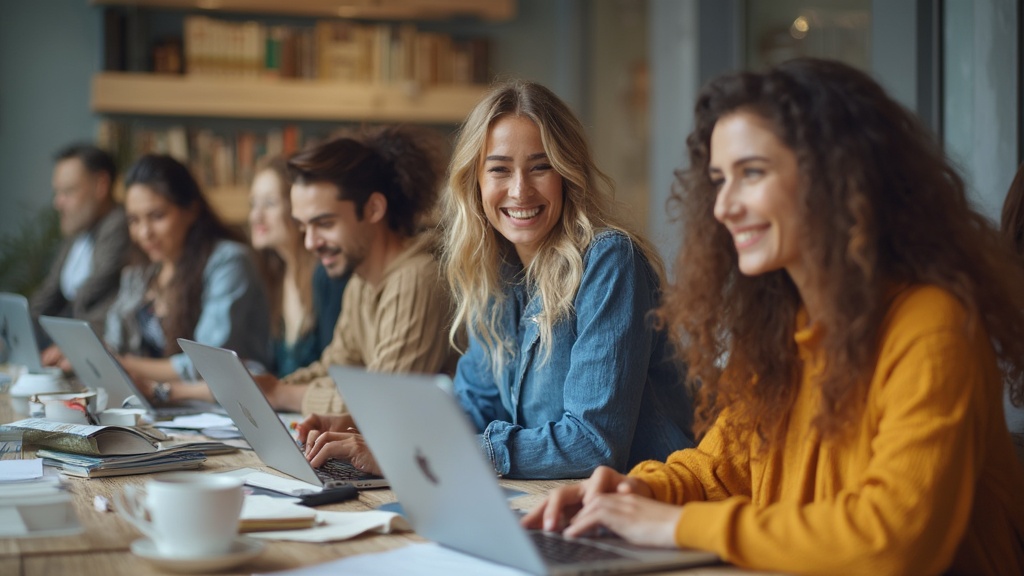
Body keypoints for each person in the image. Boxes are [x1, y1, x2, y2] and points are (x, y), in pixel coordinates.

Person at [524, 58, 1024, 575]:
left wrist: (670, 525)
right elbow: (720, 469)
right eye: (719, 180)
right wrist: (636, 491)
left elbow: (890, 540)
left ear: (838, 177)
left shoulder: (933, 326)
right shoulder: (779, 326)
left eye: (752, 173)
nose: (723, 206)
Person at [301, 80, 694, 480]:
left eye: (540, 167)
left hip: (649, 509)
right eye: (500, 170)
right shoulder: (494, 272)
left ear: (567, 175)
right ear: (476, 183)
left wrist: (415, 454)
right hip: (555, 504)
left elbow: (592, 443)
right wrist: (369, 428)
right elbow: (472, 410)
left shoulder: (609, 261)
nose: (520, 190)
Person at [255, 125, 457, 415]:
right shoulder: (361, 282)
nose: (310, 243)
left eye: (324, 224)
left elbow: (381, 405)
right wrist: (270, 387)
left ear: (374, 208)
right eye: (303, 226)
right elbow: (335, 368)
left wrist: (282, 395)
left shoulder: (416, 279)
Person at [105, 154, 270, 404]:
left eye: (157, 216)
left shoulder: (228, 262)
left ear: (191, 210)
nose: (144, 232)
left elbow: (208, 363)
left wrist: (125, 365)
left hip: (225, 410)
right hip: (165, 408)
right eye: (134, 220)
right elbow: (114, 341)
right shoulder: (144, 271)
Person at [249, 156, 348, 377]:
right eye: (253, 203)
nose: (256, 215)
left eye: (269, 203)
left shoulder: (327, 274)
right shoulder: (276, 276)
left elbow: (336, 373)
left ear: (298, 209)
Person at [32, 143, 130, 364]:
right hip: (64, 342)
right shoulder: (78, 231)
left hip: (95, 347)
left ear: (101, 185)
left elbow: (93, 299)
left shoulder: (119, 227)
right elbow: (49, 293)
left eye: (68, 192)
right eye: (57, 192)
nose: (58, 203)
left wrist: (69, 342)